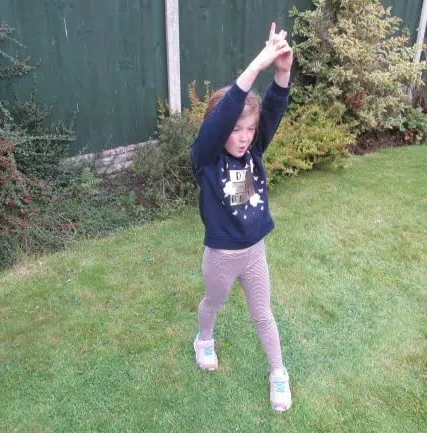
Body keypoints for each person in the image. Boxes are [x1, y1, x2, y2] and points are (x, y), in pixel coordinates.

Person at [190, 22, 293, 412]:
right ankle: (204, 338)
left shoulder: (253, 151)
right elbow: (221, 120)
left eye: (249, 130)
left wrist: (281, 71)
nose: (245, 136)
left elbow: (272, 111)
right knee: (213, 303)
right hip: (221, 255)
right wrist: (256, 65)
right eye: (236, 130)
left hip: (254, 253)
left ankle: (278, 372)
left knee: (262, 314)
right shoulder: (207, 157)